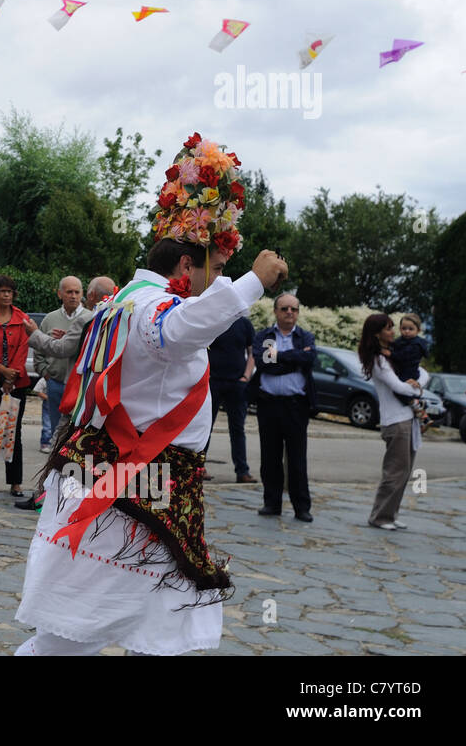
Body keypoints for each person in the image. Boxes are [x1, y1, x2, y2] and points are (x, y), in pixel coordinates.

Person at [16, 132, 287, 656]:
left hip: (132, 479)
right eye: (215, 271)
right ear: (186, 268)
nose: (218, 282)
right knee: (86, 628)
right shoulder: (152, 309)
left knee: (149, 617)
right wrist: (253, 283)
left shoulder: (123, 299)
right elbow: (178, 331)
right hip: (137, 484)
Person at [0, 277, 77, 496]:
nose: (6, 295)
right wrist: (0, 369)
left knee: (13, 432)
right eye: (2, 291)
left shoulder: (22, 319)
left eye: (10, 291)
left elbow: (23, 349)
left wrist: (11, 376)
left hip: (15, 383)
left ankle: (15, 482)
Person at [251, 292, 316, 521]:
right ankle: (272, 503)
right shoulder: (266, 335)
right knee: (270, 458)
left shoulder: (305, 337)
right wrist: (294, 359)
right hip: (269, 405)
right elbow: (266, 364)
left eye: (294, 309)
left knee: (297, 459)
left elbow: (309, 359)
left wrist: (281, 356)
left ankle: (302, 507)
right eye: (285, 309)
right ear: (275, 311)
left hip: (296, 406)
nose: (290, 313)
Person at [359, 314, 428, 530]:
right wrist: (416, 387)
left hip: (408, 419)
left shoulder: (396, 354)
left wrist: (418, 383)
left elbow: (423, 373)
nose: (393, 332)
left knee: (404, 472)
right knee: (394, 472)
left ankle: (391, 513)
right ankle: (380, 516)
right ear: (377, 333)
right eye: (389, 328)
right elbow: (397, 387)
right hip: (395, 421)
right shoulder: (378, 360)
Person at [34, 277, 93, 453]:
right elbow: (39, 349)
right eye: (69, 292)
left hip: (78, 386)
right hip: (55, 382)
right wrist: (45, 373)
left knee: (74, 433)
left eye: (77, 292)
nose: (73, 296)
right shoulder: (50, 319)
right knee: (55, 429)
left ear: (83, 294)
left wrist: (70, 339)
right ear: (60, 294)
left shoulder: (89, 318)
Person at [208, 314, 256, 482]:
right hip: (212, 382)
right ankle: (199, 468)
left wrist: (246, 376)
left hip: (237, 383)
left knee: (237, 429)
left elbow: (253, 352)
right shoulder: (214, 319)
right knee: (204, 427)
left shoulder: (244, 324)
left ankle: (242, 471)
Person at [390, 314, 429, 421]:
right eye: (404, 328)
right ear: (400, 328)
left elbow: (402, 357)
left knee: (399, 390)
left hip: (410, 372)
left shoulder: (416, 344)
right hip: (403, 371)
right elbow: (394, 345)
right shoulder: (401, 341)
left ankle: (417, 404)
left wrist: (389, 354)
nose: (407, 331)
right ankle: (421, 415)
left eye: (410, 329)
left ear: (418, 330)